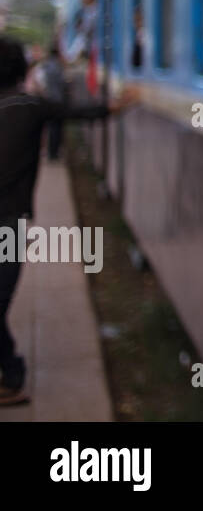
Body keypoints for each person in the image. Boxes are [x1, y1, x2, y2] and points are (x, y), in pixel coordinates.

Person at [0, 34, 138, 406]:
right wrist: (117, 107)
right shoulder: (31, 106)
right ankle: (10, 375)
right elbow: (81, 113)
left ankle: (11, 377)